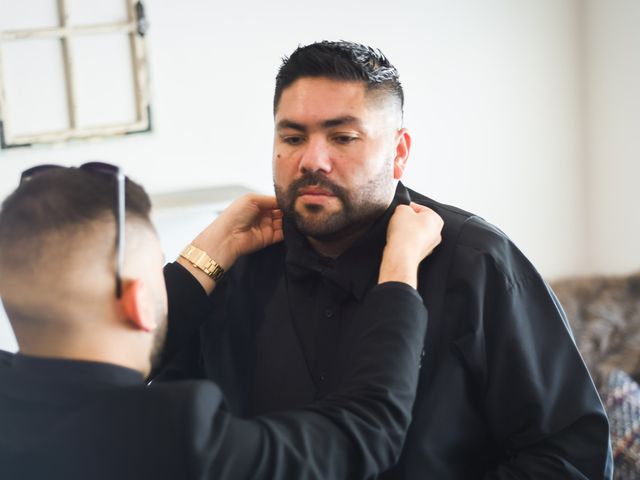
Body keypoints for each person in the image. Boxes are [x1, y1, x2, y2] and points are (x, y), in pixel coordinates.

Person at [157, 41, 613, 478]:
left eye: (343, 137)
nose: (312, 160)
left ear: (398, 153)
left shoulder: (477, 262)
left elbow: (572, 456)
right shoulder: (233, 263)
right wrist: (199, 261)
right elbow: (155, 421)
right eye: (293, 137)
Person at [0, 163, 444, 479]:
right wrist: (401, 268)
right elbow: (366, 428)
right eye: (157, 268)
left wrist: (214, 250)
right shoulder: (177, 435)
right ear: (138, 303)